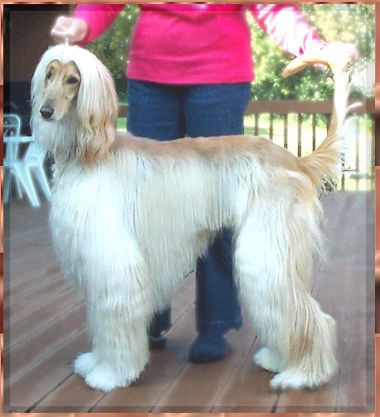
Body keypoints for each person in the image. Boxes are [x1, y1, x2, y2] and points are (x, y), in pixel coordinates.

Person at [51, 4, 354, 364]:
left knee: (219, 208)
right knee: (141, 215)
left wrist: (311, 44)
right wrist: (82, 22)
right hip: (150, 76)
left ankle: (216, 323)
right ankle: (145, 321)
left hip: (219, 77)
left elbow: (273, 7)